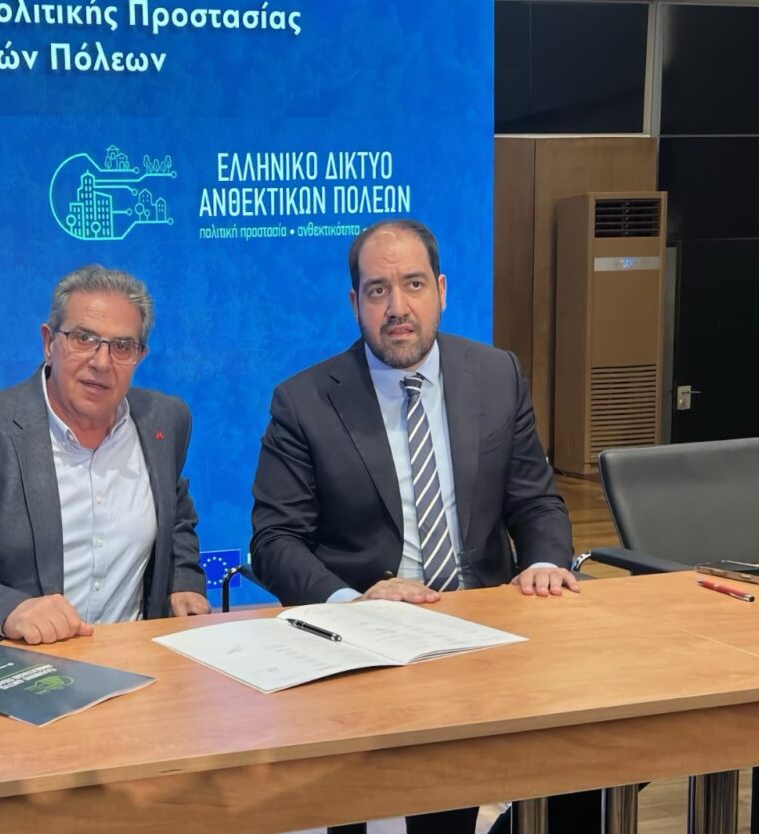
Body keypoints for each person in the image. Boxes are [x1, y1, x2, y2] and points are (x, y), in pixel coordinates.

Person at [250, 219, 592, 834]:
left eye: (413, 284)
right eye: (377, 290)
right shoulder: (304, 401)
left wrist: (544, 561)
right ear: (355, 302)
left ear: (441, 290)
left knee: (588, 754)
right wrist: (353, 602)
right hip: (369, 642)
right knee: (393, 797)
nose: (397, 308)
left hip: (487, 622)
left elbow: (536, 501)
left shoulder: (497, 374)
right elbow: (275, 541)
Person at [0, 265, 210, 645]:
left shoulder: (164, 421)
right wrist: (9, 611)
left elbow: (175, 515)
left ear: (140, 356)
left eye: (122, 346)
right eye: (83, 338)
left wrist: (183, 580)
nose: (101, 362)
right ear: (49, 342)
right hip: (9, 659)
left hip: (131, 655)